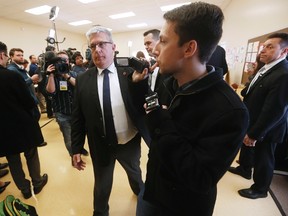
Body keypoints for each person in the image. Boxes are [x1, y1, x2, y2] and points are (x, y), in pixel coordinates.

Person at [130, 2, 249, 215]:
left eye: (163, 41)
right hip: (153, 190)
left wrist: (162, 122)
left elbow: (200, 178)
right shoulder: (169, 83)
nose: (155, 49)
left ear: (189, 48)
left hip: (183, 206)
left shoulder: (231, 111)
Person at [71, 26, 150, 216]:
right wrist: (75, 148)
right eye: (93, 46)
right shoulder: (83, 79)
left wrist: (139, 83)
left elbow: (142, 104)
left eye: (102, 44)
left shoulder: (130, 73)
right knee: (102, 185)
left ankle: (143, 200)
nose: (97, 50)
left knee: (135, 175)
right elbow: (78, 117)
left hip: (129, 141)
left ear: (113, 47)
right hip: (100, 145)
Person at [229, 33, 288, 199]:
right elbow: (252, 91)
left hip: (268, 127)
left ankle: (260, 189)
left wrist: (256, 133)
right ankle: (244, 169)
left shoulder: (283, 74)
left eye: (270, 47)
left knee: (264, 158)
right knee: (247, 146)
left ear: (284, 52)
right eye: (264, 46)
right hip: (254, 119)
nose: (263, 50)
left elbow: (275, 109)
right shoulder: (265, 67)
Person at [0, 41, 48, 199]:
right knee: (31, 153)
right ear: (3, 55)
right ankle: (37, 182)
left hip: (3, 130)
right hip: (21, 123)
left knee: (13, 159)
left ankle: (24, 189)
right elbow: (28, 100)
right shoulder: (11, 75)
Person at [46, 51, 89, 161]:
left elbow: (80, 86)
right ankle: (73, 155)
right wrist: (50, 75)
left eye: (65, 60)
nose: (63, 62)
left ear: (69, 61)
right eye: (60, 60)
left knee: (80, 135)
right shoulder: (53, 76)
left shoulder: (73, 73)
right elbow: (50, 92)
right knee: (69, 139)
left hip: (77, 113)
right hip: (62, 113)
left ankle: (80, 148)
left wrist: (66, 75)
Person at [7, 48, 47, 147]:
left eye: (22, 55)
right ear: (11, 57)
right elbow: (18, 86)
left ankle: (37, 141)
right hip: (25, 101)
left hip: (30, 97)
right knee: (32, 122)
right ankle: (35, 142)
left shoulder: (19, 68)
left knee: (35, 120)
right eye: (18, 55)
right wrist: (31, 79)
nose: (21, 57)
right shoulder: (12, 70)